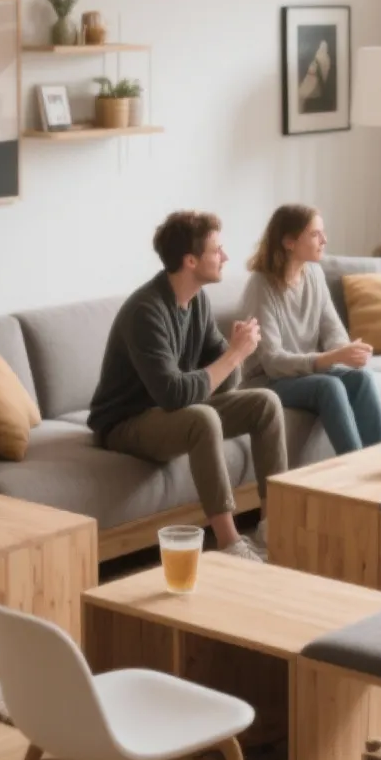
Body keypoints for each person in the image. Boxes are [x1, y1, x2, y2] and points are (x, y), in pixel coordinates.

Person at [87, 211, 287, 558]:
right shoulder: (146, 311)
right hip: (126, 422)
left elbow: (226, 384)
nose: (225, 257)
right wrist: (235, 355)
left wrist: (233, 353)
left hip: (167, 412)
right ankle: (230, 544)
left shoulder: (197, 302)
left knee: (265, 403)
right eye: (217, 250)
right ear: (191, 260)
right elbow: (173, 394)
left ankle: (272, 530)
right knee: (202, 419)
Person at [239, 204, 381, 454]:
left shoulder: (315, 274)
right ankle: (354, 466)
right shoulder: (261, 285)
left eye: (323, 232)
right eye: (315, 234)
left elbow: (333, 332)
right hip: (267, 380)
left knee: (361, 378)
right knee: (328, 387)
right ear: (289, 241)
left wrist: (348, 351)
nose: (324, 240)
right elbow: (273, 362)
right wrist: (331, 358)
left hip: (302, 374)